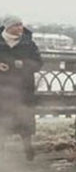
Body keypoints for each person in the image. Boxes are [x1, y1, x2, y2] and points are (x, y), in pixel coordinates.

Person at [0, 16, 43, 161]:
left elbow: (38, 63)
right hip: (2, 90)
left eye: (21, 25)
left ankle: (28, 149)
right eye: (17, 25)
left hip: (23, 90)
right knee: (2, 120)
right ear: (8, 27)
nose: (20, 28)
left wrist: (23, 64)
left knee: (24, 120)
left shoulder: (28, 44)